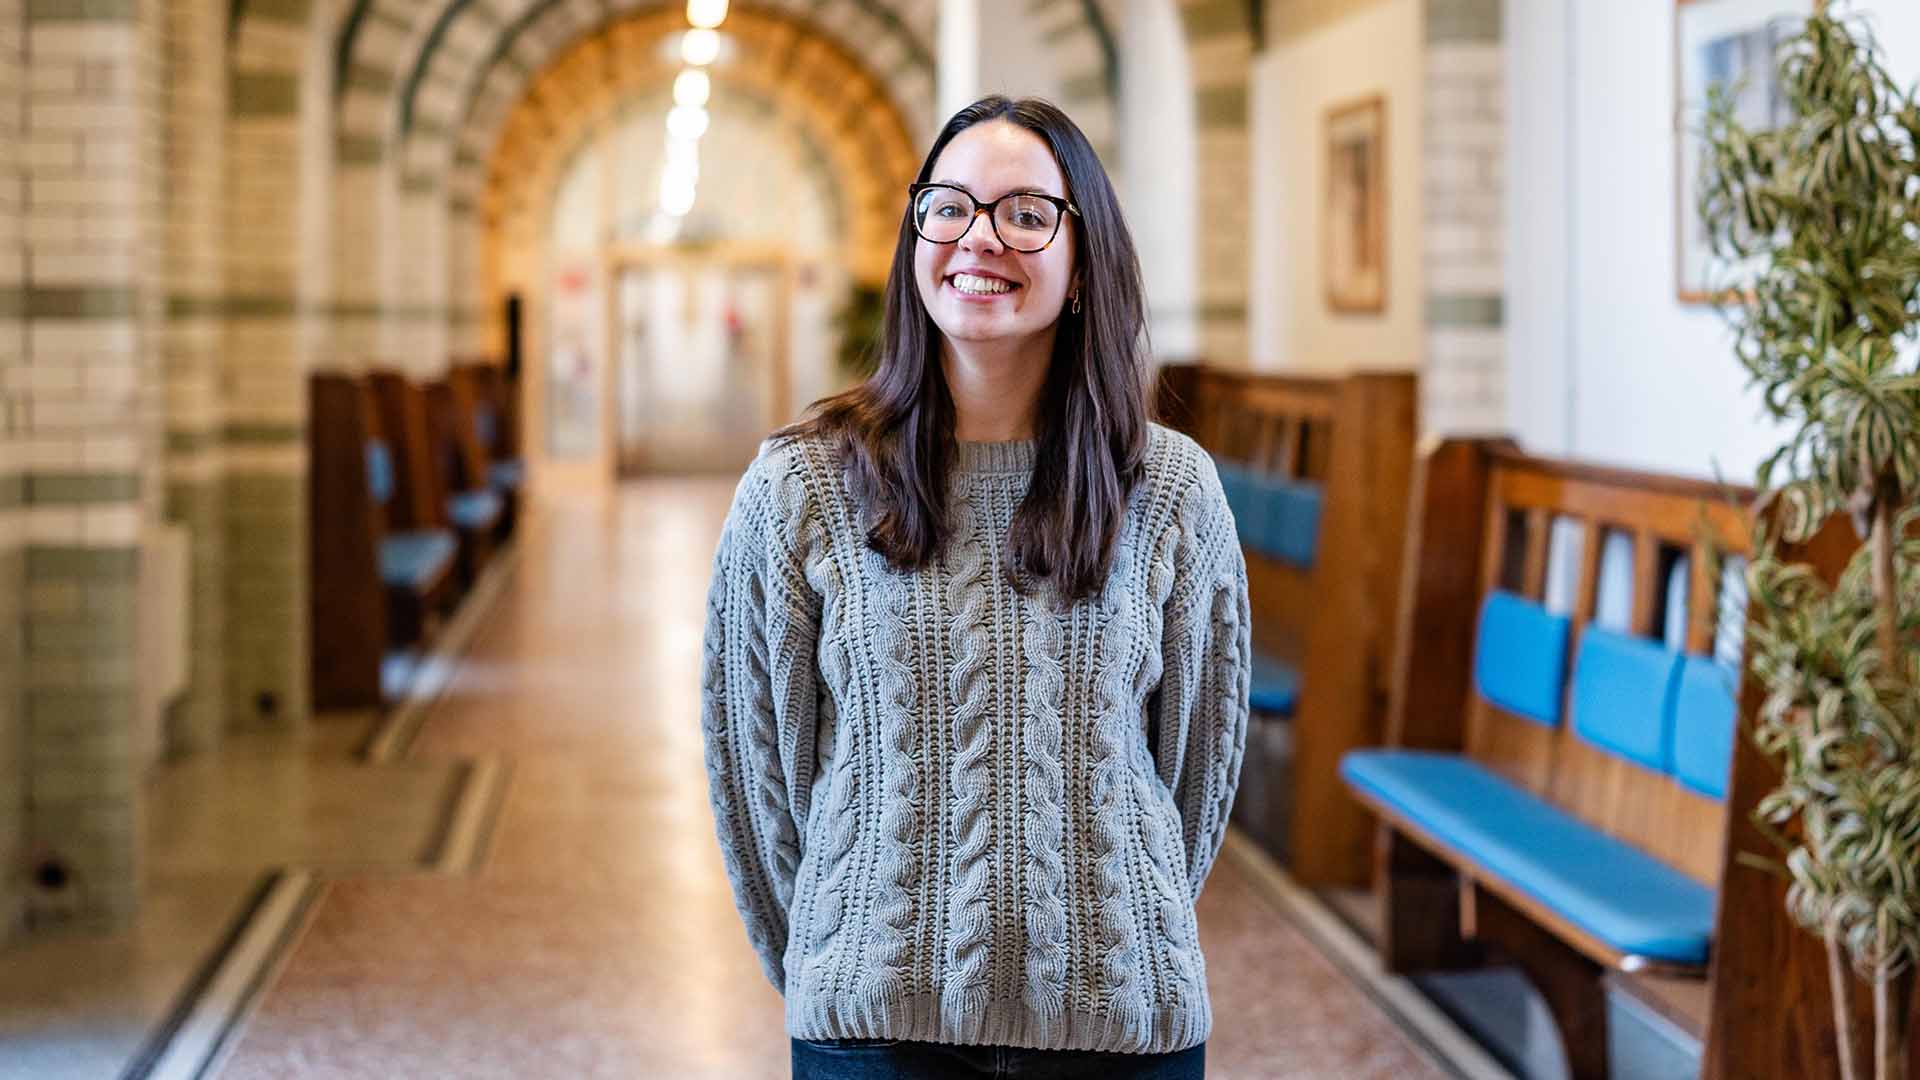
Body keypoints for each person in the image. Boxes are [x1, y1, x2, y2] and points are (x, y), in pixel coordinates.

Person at [699, 95, 1250, 1080]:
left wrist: (1100, 938)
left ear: (1085, 264)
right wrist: (848, 950)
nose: (978, 238)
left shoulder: (1168, 486)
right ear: (916, 241)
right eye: (947, 207)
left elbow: (1194, 771)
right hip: (875, 1036)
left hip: (1117, 1032)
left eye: (1026, 214)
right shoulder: (803, 484)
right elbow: (759, 774)